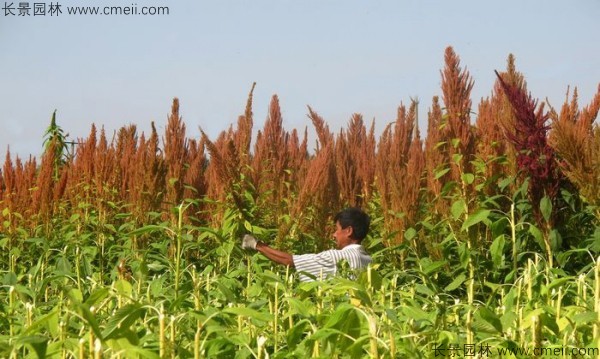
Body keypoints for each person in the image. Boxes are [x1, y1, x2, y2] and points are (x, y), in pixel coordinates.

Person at [242, 207, 372, 282]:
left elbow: (289, 261)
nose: (334, 234)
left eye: (337, 229)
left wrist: (257, 245)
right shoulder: (369, 259)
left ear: (348, 231)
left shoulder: (336, 257)